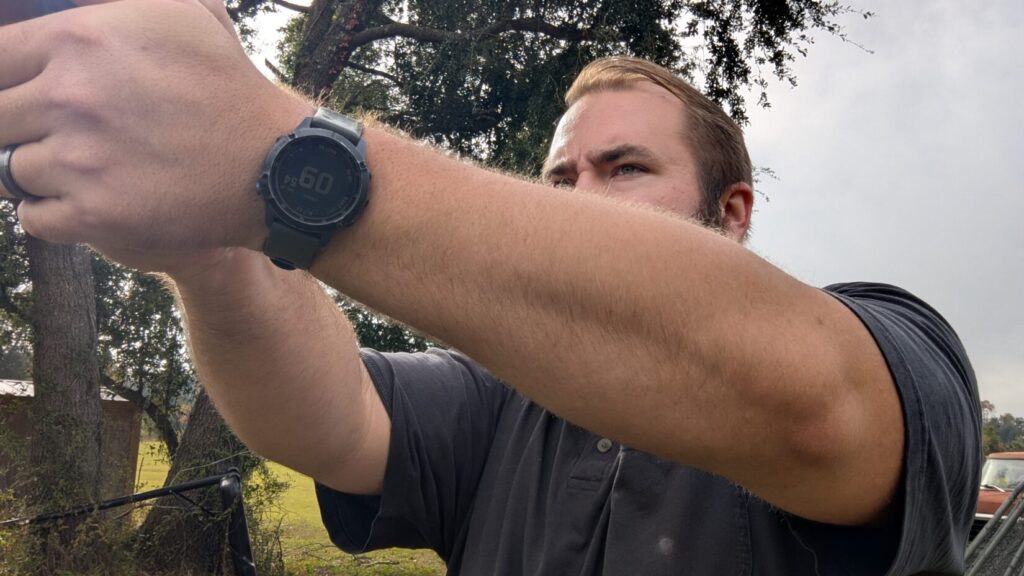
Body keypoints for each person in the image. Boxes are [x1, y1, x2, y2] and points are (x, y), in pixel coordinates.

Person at [0, 1, 981, 574]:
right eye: (560, 183)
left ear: (731, 212)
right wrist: (213, 238)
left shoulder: (893, 351)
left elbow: (815, 412)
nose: (580, 200)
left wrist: (282, 160)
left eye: (626, 169)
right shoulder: (499, 401)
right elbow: (326, 419)